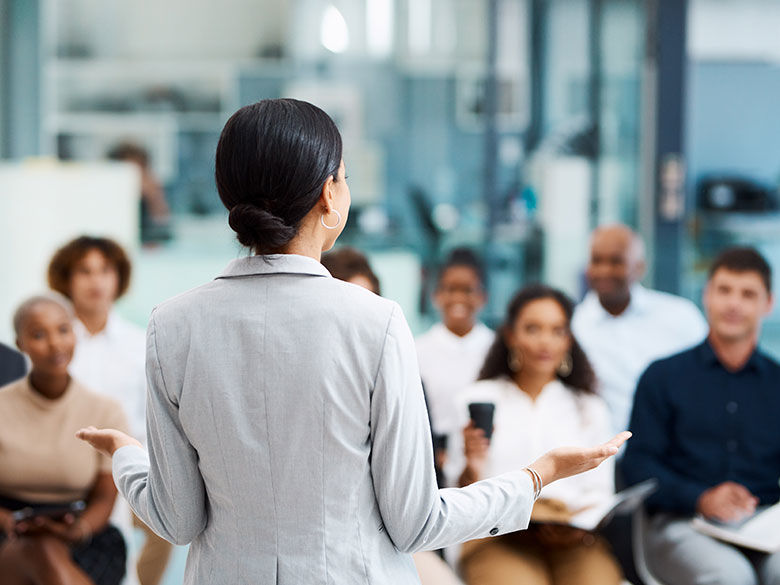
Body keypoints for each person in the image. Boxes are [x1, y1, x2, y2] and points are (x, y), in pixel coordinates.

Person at [76, 98, 628, 585]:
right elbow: (417, 523)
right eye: (342, 176)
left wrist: (127, 455)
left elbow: (177, 521)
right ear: (327, 196)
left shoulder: (171, 325)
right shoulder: (377, 323)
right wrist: (539, 474)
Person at [622, 247, 780, 585]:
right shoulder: (662, 377)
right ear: (707, 295)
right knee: (731, 577)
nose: (733, 304)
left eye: (748, 294)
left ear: (768, 304)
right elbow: (638, 466)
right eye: (724, 290)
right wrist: (700, 497)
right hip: (683, 522)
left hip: (764, 524)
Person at [447, 285, 622, 585]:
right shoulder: (477, 399)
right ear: (511, 335)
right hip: (495, 537)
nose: (545, 342)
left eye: (557, 331)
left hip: (572, 538)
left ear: (568, 340)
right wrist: (472, 467)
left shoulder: (588, 407)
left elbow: (599, 491)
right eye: (532, 329)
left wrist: (578, 524)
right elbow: (456, 493)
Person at [323, 246, 463, 585]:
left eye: (369, 305)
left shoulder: (404, 376)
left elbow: (422, 483)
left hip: (398, 534)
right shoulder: (308, 381)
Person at [48, 236, 172, 585]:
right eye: (84, 271)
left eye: (105, 271)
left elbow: (153, 420)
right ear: (67, 279)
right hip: (65, 476)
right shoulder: (52, 343)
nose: (96, 281)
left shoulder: (139, 344)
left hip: (127, 471)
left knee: (164, 531)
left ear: (118, 278)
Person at [0, 294, 129, 585]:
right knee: (38, 548)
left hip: (81, 535)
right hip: (6, 530)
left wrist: (79, 530)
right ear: (20, 344)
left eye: (63, 330)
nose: (55, 344)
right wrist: (6, 520)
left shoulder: (105, 410)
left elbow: (105, 497)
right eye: (38, 334)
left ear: (75, 334)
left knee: (46, 551)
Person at [572, 223, 708, 435]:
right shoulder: (573, 327)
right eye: (596, 260)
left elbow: (707, 378)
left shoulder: (681, 317)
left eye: (616, 261)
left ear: (639, 267)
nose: (604, 270)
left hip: (675, 452)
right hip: (605, 457)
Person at [416, 247, 493, 439]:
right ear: (437, 296)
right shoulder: (417, 350)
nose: (458, 298)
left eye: (468, 290)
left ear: (483, 297)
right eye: (450, 289)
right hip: (434, 457)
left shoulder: (496, 349)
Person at [107, 142, 172, 245]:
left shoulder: (151, 191)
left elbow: (164, 225)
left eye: (140, 171)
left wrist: (154, 196)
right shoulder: (107, 203)